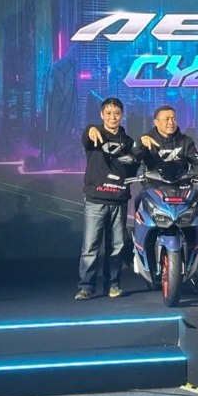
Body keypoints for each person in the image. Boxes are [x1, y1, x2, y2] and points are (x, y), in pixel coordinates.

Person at [136, 105, 198, 298]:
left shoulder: (186, 141)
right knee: (141, 218)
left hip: (182, 192)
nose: (171, 122)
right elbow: (135, 157)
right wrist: (141, 144)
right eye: (166, 119)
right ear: (156, 122)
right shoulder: (148, 139)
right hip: (153, 190)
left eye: (173, 118)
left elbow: (197, 161)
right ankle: (138, 259)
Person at [76, 97, 139, 300]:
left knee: (117, 247)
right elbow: (86, 137)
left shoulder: (128, 142)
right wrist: (90, 129)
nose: (113, 117)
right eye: (109, 113)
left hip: (119, 200)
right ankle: (86, 286)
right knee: (90, 246)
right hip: (96, 199)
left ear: (122, 115)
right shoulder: (95, 134)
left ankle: (112, 285)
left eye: (117, 113)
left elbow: (134, 166)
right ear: (102, 115)